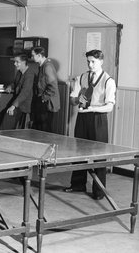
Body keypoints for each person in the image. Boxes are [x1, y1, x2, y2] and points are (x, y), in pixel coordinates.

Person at [64, 49, 116, 200]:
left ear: (101, 61)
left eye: (93, 61)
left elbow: (110, 106)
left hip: (98, 118)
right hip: (82, 118)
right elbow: (73, 99)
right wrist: (77, 99)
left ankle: (99, 191)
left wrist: (93, 108)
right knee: (79, 152)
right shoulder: (82, 77)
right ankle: (77, 184)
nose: (90, 64)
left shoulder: (108, 80)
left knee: (100, 155)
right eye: (88, 61)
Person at [1, 54, 36, 129]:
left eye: (17, 62)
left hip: (25, 103)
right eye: (14, 62)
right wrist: (10, 86)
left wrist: (13, 106)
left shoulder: (30, 74)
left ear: (24, 62)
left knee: (9, 115)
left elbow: (25, 92)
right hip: (18, 101)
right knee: (2, 112)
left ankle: (5, 136)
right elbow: (15, 83)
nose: (14, 64)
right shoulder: (19, 72)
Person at [31, 46, 60, 132]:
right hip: (43, 100)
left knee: (45, 129)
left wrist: (43, 98)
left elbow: (53, 86)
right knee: (40, 127)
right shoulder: (42, 66)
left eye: (33, 55)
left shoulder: (47, 67)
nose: (32, 57)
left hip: (46, 102)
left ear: (39, 55)